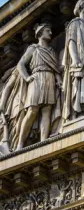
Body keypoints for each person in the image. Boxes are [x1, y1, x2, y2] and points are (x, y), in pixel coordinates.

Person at [1, 23, 61, 151]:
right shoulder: (33, 48)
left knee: (47, 110)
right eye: (47, 30)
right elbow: (21, 64)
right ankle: (20, 145)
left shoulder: (51, 51)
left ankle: (43, 142)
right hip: (36, 78)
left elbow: (55, 69)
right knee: (32, 110)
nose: (50, 33)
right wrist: (27, 77)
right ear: (40, 33)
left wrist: (59, 80)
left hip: (49, 78)